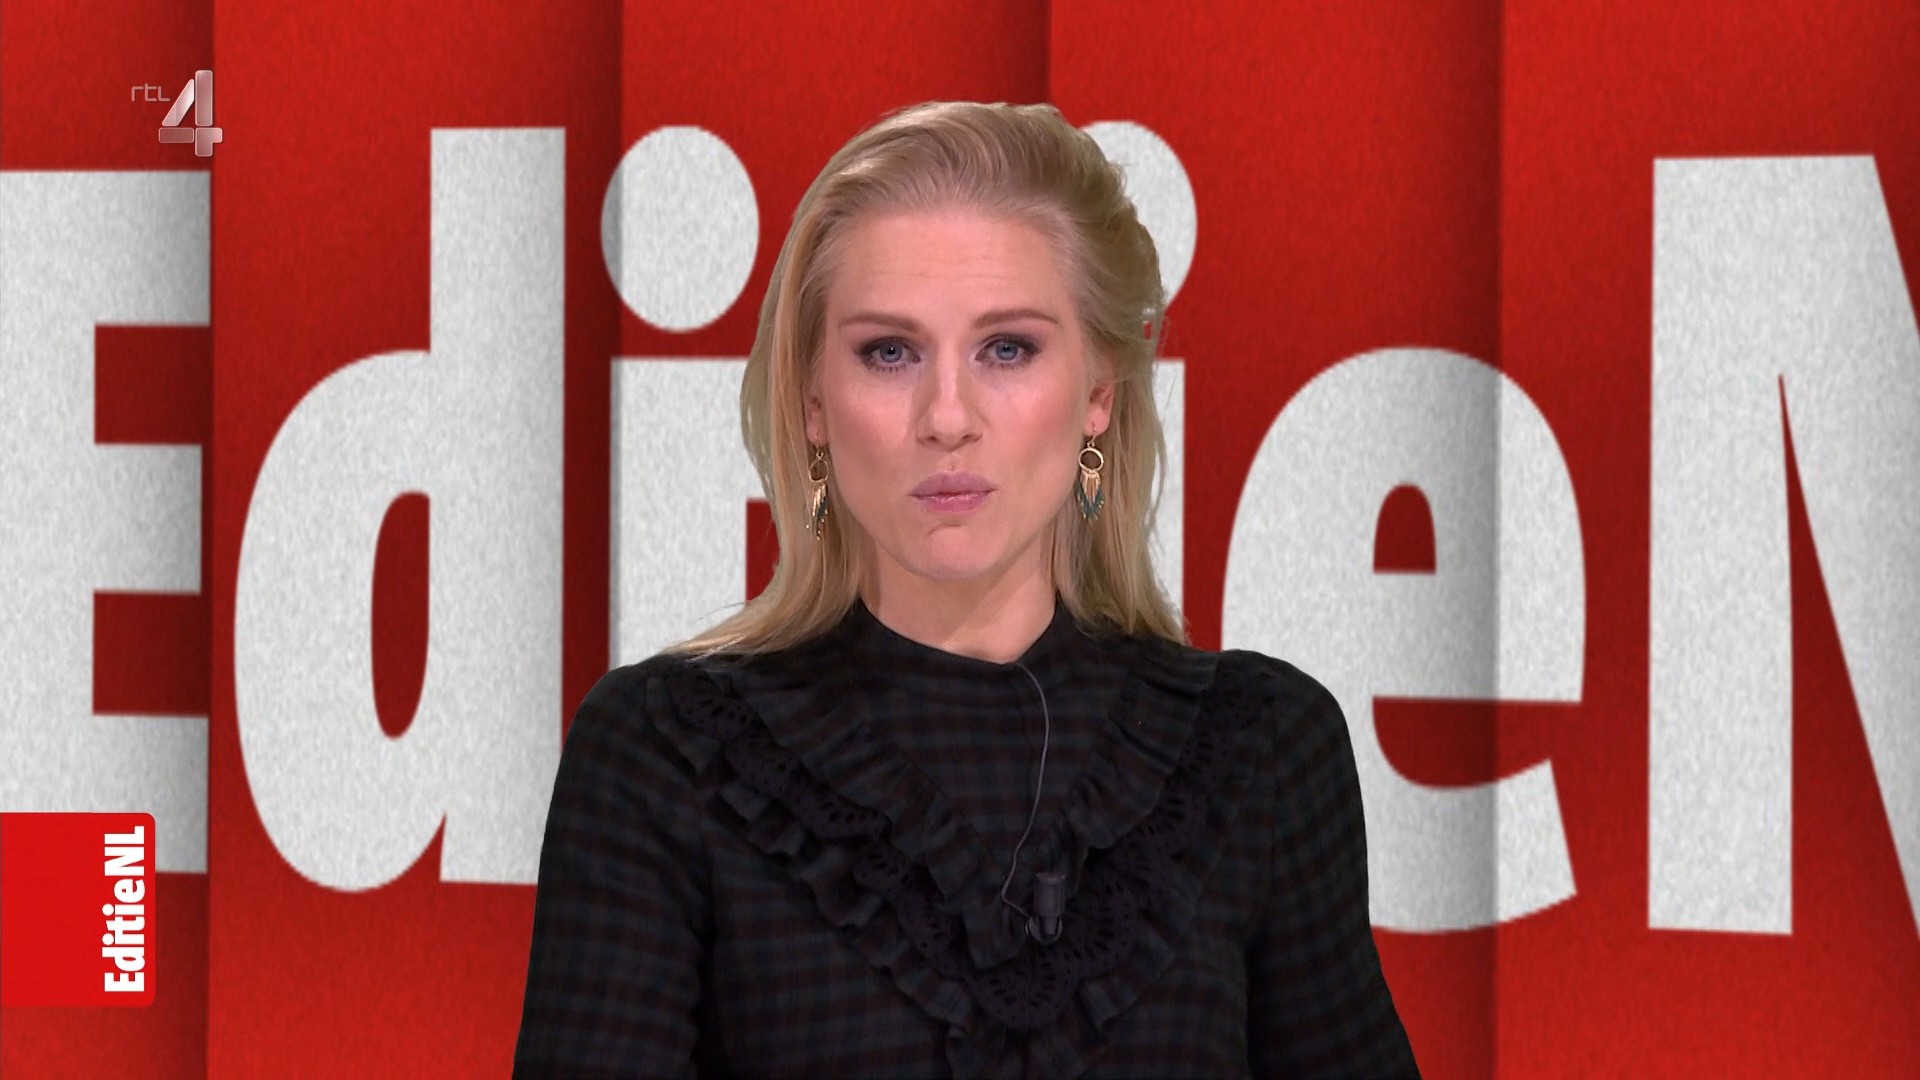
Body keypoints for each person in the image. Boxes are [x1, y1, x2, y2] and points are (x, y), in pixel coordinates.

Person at [513, 100, 1420, 1079]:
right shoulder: (665, 753)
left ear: (1099, 393)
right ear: (814, 404)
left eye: (1007, 348)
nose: (947, 415)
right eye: (889, 352)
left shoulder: (1260, 749)